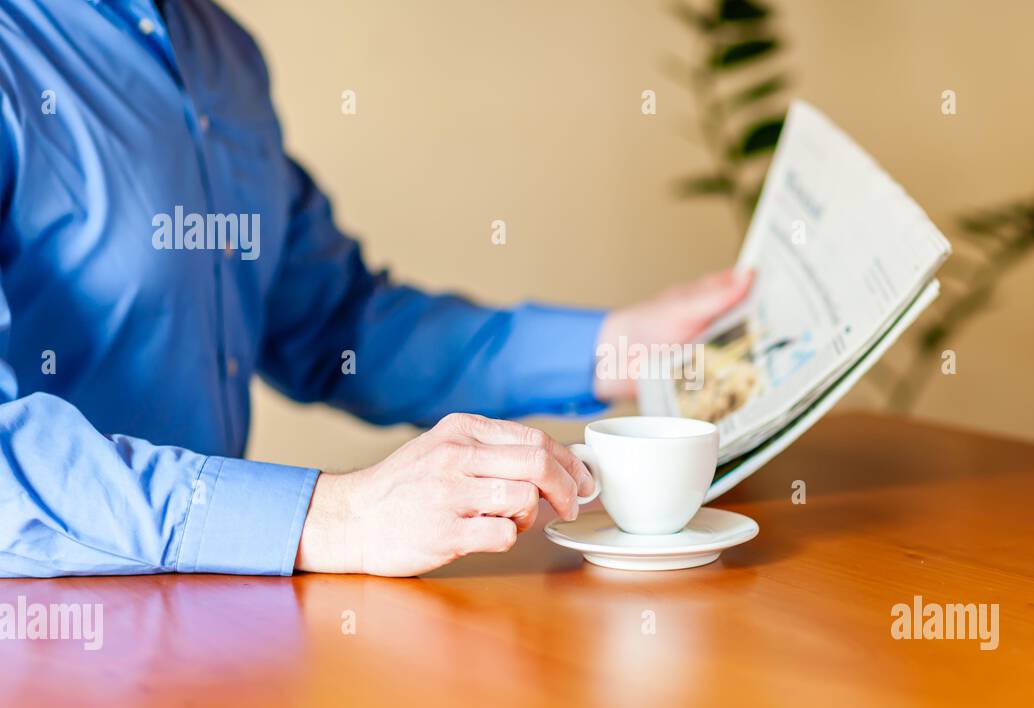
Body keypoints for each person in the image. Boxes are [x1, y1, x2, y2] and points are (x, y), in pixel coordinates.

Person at [0, 0, 750, 578]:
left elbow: (336, 325)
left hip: (216, 625)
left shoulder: (223, 55)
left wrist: (614, 348)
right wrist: (334, 515)